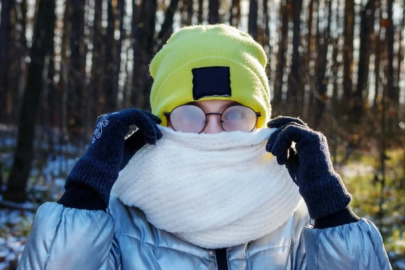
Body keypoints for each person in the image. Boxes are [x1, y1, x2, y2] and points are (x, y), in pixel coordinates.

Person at [18, 24, 391, 270]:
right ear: (160, 123)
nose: (214, 133)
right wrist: (84, 196)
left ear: (262, 122)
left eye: (236, 114)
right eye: (191, 115)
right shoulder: (118, 218)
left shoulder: (292, 219)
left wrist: (332, 215)